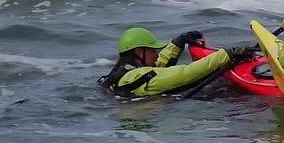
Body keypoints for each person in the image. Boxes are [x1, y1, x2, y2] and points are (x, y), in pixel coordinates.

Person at [99, 27, 256, 99]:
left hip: (145, 103)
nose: (157, 54)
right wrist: (228, 54)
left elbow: (158, 66)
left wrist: (179, 41)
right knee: (225, 93)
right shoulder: (137, 76)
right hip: (150, 109)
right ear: (139, 52)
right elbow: (185, 74)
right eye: (153, 50)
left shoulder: (126, 71)